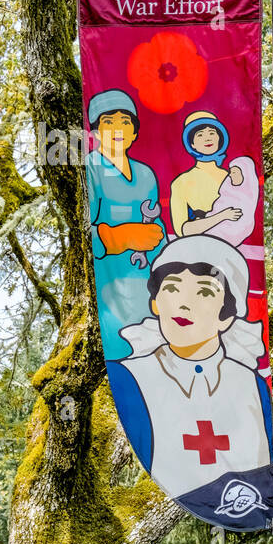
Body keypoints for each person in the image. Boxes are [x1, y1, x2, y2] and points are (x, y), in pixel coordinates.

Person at [106, 236, 273, 525]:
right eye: (172, 288)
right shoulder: (129, 377)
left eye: (205, 292)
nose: (183, 305)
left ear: (226, 317)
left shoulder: (252, 384)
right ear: (156, 304)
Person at [86, 89, 166, 359]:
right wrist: (118, 238)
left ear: (134, 132)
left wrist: (159, 244)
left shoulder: (145, 174)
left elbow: (154, 220)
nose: (117, 128)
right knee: (122, 349)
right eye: (107, 122)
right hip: (110, 286)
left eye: (125, 121)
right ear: (95, 132)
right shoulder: (90, 168)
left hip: (146, 280)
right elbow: (81, 232)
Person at [169, 111, 247, 238]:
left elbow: (245, 215)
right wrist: (222, 216)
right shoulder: (181, 182)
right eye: (200, 135)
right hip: (197, 251)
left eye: (212, 133)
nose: (208, 138)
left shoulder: (230, 177)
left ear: (219, 138)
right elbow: (183, 230)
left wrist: (241, 185)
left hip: (234, 250)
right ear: (192, 144)